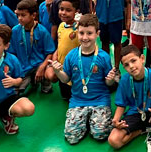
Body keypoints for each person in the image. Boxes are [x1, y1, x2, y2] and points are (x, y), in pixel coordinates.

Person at [50, 14, 117, 144]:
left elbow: (108, 83)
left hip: (100, 100)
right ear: (77, 32)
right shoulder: (72, 55)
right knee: (71, 137)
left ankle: (91, 120)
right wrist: (58, 71)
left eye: (89, 33)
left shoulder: (104, 57)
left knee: (101, 134)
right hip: (78, 101)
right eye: (81, 33)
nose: (85, 37)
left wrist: (110, 79)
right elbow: (65, 80)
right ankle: (86, 119)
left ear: (97, 34)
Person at [9, 0, 56, 94]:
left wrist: (42, 68)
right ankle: (31, 80)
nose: (19, 18)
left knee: (46, 89)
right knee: (18, 91)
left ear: (33, 15)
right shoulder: (14, 31)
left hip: (39, 65)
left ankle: (44, 83)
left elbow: (50, 52)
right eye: (18, 15)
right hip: (22, 67)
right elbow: (11, 53)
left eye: (23, 15)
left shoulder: (42, 31)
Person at [46, 0, 81, 100]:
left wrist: (81, 21)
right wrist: (55, 58)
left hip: (75, 69)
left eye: (68, 10)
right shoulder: (61, 25)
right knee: (65, 96)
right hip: (62, 69)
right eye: (61, 9)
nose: (63, 13)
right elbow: (60, 45)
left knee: (77, 96)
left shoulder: (80, 28)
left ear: (76, 11)